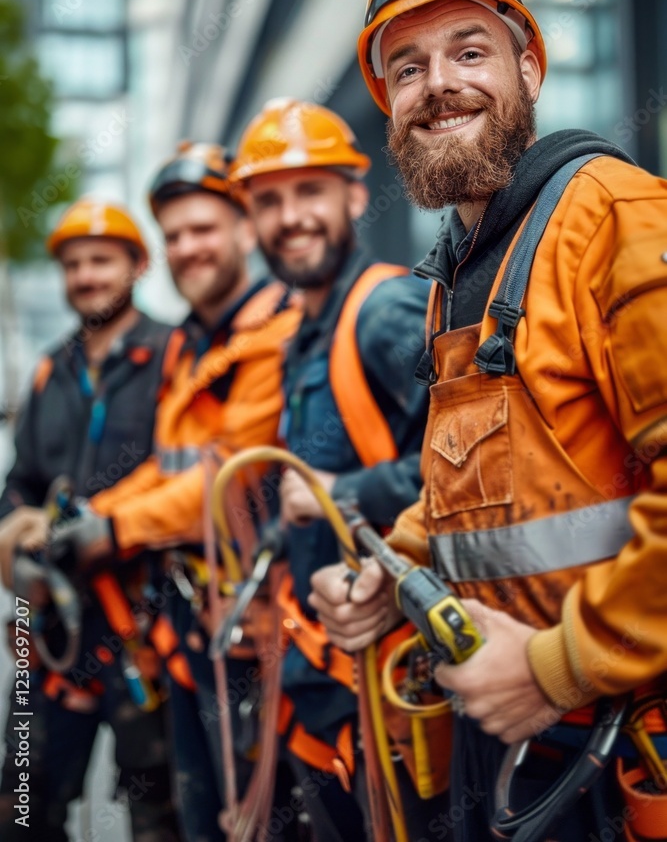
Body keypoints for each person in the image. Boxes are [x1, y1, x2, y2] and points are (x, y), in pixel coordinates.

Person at [309, 0, 667, 842]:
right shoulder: (454, 277)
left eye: (469, 51)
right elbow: (484, 497)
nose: (438, 85)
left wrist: (557, 665)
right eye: (407, 68)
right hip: (509, 748)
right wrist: (392, 572)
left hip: (612, 750)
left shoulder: (615, 218)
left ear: (530, 68)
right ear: (388, 104)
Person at [86, 142, 302, 842]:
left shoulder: (277, 330)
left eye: (203, 228)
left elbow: (227, 477)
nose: (186, 248)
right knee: (197, 814)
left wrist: (113, 533)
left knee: (256, 818)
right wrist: (94, 515)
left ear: (245, 229)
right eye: (173, 235)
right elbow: (167, 464)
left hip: (259, 633)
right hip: (190, 626)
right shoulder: (190, 343)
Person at [231, 98, 433, 842]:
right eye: (269, 200)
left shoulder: (384, 312)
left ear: (353, 195)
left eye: (310, 191)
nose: (291, 217)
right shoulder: (303, 335)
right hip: (324, 690)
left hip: (385, 688)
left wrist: (337, 494)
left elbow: (475, 478)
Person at [0, 199, 181, 841]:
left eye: (101, 260)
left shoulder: (173, 356)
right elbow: (19, 482)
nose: (86, 276)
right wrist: (16, 534)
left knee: (159, 814)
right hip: (48, 630)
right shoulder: (52, 371)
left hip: (144, 631)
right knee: (22, 805)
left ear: (137, 265)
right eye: (74, 264)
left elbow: (186, 484)